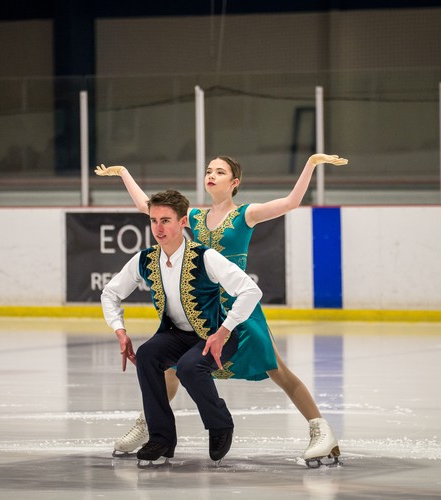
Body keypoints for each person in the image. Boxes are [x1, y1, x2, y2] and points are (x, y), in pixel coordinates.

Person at [96, 153, 345, 468]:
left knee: (277, 370)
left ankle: (321, 431)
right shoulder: (195, 216)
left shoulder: (246, 214)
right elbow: (150, 206)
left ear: (234, 182)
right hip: (207, 306)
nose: (211, 175)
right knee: (170, 368)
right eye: (208, 171)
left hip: (240, 305)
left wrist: (310, 164)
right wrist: (124, 174)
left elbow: (291, 202)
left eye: (220, 171)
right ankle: (149, 426)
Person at [100, 189, 264, 467]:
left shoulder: (204, 257)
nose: (158, 228)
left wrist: (224, 331)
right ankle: (161, 437)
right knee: (149, 356)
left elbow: (250, 290)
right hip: (176, 335)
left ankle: (220, 424)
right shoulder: (147, 259)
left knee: (189, 367)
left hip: (217, 337)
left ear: (182, 222)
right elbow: (110, 293)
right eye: (154, 221)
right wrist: (120, 330)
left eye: (165, 220)